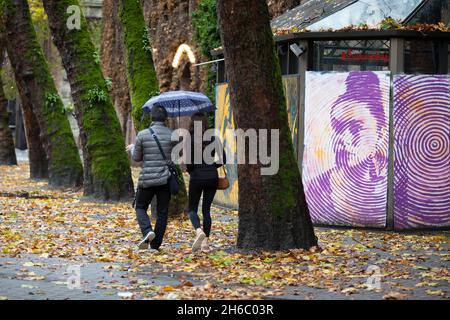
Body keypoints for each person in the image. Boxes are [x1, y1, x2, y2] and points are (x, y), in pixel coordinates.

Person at [127, 105, 174, 252]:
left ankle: (147, 231)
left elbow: (137, 157)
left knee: (140, 206)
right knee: (162, 212)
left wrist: (132, 148)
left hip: (147, 179)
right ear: (165, 118)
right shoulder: (172, 134)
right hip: (165, 179)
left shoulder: (142, 134)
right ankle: (155, 245)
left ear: (151, 117)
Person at [186, 112, 226, 252]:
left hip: (196, 177)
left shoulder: (189, 140)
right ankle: (205, 244)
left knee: (191, 209)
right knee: (206, 210)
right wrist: (210, 168)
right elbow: (223, 160)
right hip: (212, 178)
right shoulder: (214, 138)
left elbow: (189, 165)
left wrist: (194, 170)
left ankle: (198, 231)